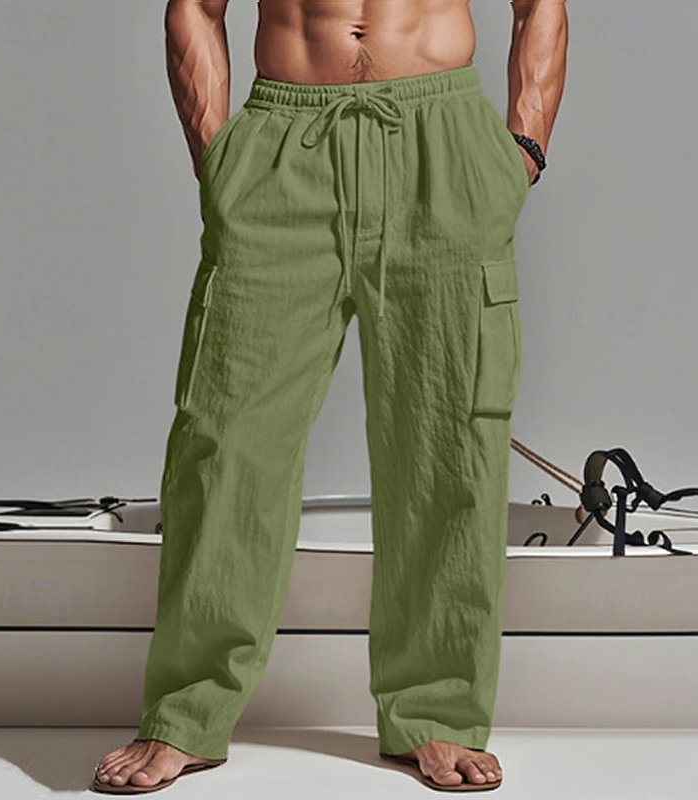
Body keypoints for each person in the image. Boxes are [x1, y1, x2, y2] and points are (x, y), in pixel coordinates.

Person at [92, 0, 567, 793]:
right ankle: (187, 713)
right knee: (224, 442)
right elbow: (195, 8)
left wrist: (523, 148)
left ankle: (437, 711)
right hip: (283, 144)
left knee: (449, 443)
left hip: (443, 141)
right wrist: (220, 158)